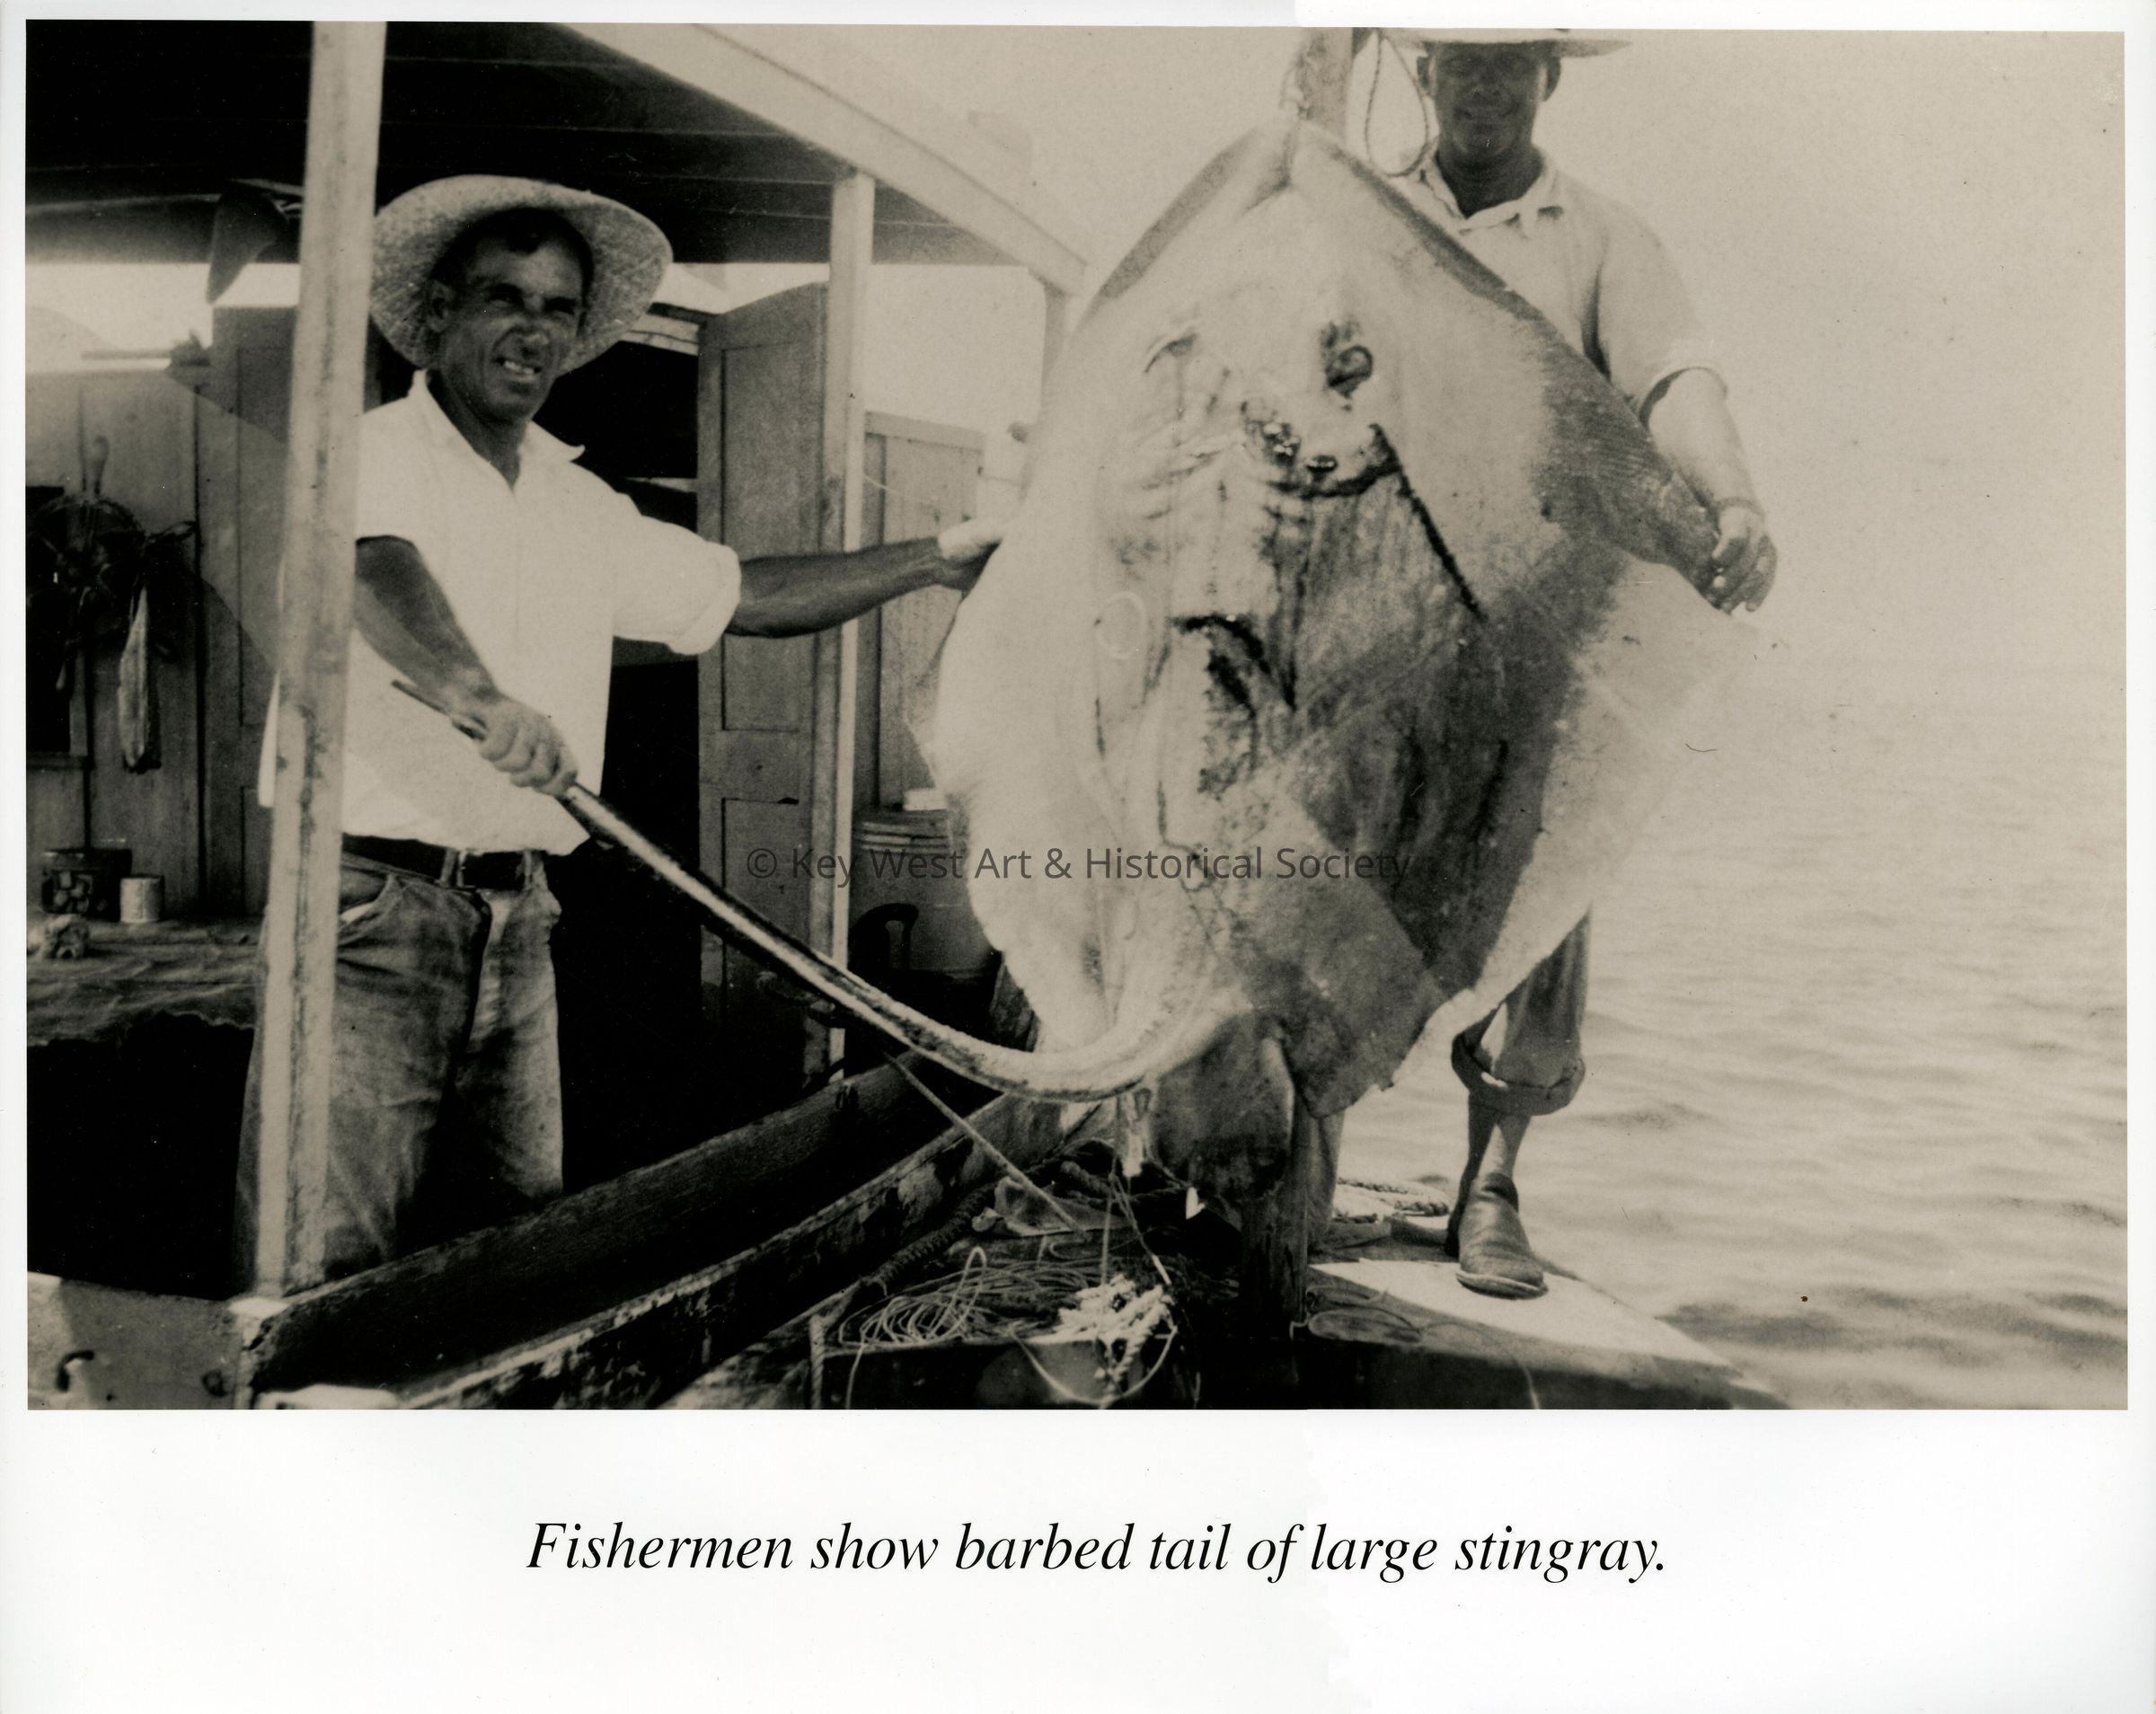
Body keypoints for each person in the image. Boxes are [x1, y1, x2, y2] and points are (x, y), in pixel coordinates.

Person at [238, 176, 1001, 1283]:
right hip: (368, 915)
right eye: (506, 295)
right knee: (323, 1253)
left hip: (522, 917)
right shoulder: (363, 455)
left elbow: (743, 592)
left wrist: (935, 559)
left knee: (520, 1235)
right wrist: (480, 698)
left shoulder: (575, 504)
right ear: (440, 313)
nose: (533, 329)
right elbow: (374, 572)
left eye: (558, 308)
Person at [1396, 31, 1779, 1298]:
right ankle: (1281, 1151)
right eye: (1464, 63)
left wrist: (1730, 500)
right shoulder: (1360, 213)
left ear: (1550, 79)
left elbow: (1676, 375)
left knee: (1546, 893)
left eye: (1514, 63)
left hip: (1536, 621)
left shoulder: (1602, 236)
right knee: (1321, 871)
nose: (1488, 87)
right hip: (1372, 609)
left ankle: (1491, 1185)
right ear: (1422, 77)